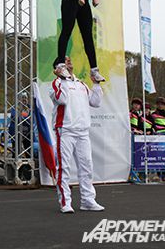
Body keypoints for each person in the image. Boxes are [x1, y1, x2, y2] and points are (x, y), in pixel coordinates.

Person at [50, 56, 105, 213]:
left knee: (86, 166)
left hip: (83, 131)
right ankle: (65, 201)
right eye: (65, 62)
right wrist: (61, 77)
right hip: (65, 130)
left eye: (69, 60)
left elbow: (95, 102)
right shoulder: (56, 84)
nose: (69, 63)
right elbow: (62, 99)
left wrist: (95, 84)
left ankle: (87, 200)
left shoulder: (81, 84)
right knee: (64, 167)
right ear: (58, 67)